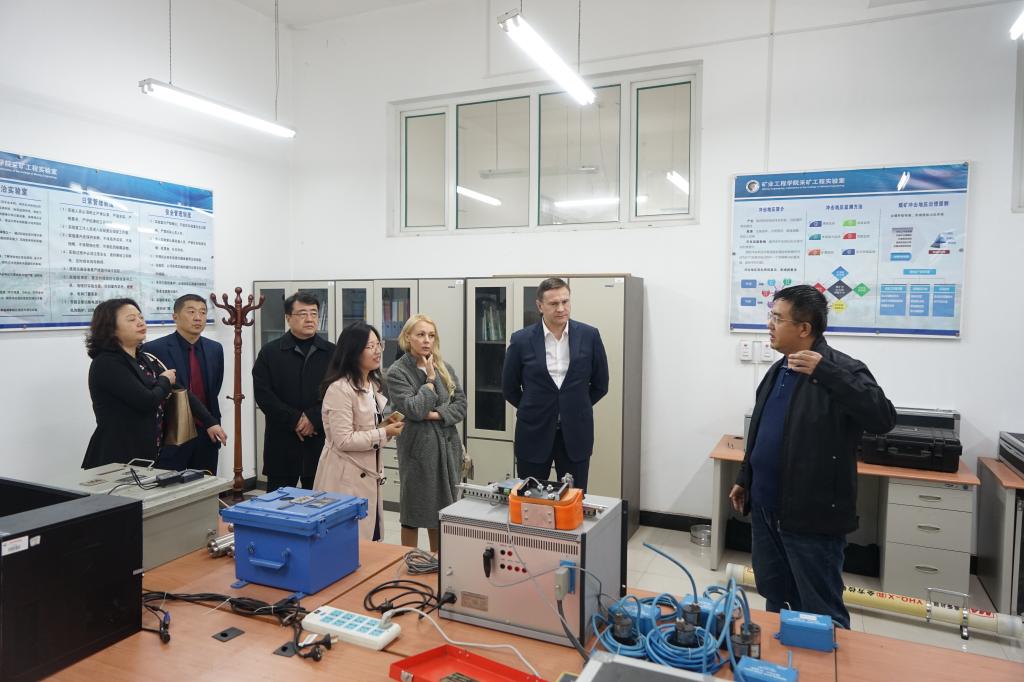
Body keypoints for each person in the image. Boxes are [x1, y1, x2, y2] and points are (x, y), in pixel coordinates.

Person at [729, 285, 896, 628]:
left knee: (821, 610)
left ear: (804, 328)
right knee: (776, 595)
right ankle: (783, 656)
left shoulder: (842, 369)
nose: (769, 325)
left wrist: (827, 373)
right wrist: (745, 478)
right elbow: (761, 431)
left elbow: (883, 418)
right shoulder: (778, 370)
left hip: (811, 518)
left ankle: (826, 660)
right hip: (766, 510)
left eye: (778, 318)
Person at [83, 298, 225, 469]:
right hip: (118, 455)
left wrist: (210, 421)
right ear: (110, 328)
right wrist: (165, 380)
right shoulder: (107, 362)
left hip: (148, 452)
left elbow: (181, 391)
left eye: (141, 317)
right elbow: (146, 400)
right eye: (131, 319)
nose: (140, 322)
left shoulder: (143, 358)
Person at [501, 277, 609, 492]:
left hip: (576, 432)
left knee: (573, 498)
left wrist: (574, 406)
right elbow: (509, 388)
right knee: (531, 498)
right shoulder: (521, 340)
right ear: (540, 306)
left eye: (565, 301)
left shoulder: (589, 335)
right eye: (553, 303)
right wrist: (533, 408)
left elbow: (600, 384)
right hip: (533, 432)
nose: (561, 308)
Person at [313, 322, 405, 541]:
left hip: (369, 474)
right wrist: (383, 433)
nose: (377, 351)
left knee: (369, 538)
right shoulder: (340, 389)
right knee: (347, 541)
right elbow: (343, 439)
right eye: (370, 346)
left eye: (378, 344)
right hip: (345, 477)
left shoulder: (372, 384)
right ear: (353, 351)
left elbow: (367, 429)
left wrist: (386, 429)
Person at [386, 314, 467, 552]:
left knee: (442, 511)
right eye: (420, 335)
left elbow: (461, 406)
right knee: (413, 511)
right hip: (418, 450)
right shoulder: (398, 371)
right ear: (407, 337)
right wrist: (430, 381)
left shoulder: (444, 367)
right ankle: (407, 561)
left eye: (431, 335)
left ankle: (438, 563)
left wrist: (433, 414)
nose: (426, 340)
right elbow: (413, 409)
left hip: (447, 448)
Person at [252, 293, 335, 491]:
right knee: (279, 502)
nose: (310, 319)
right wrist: (296, 420)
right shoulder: (270, 352)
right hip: (282, 439)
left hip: (319, 438)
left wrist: (313, 418)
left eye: (314, 313)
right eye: (302, 314)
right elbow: (264, 395)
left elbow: (338, 393)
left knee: (319, 501)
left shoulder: (333, 352)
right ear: (288, 318)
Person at [143, 294, 226, 473]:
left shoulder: (215, 349)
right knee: (169, 482)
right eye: (191, 312)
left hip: (207, 429)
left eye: (203, 312)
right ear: (175, 317)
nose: (198, 317)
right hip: (172, 431)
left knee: (206, 482)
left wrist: (210, 420)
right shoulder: (154, 349)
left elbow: (215, 386)